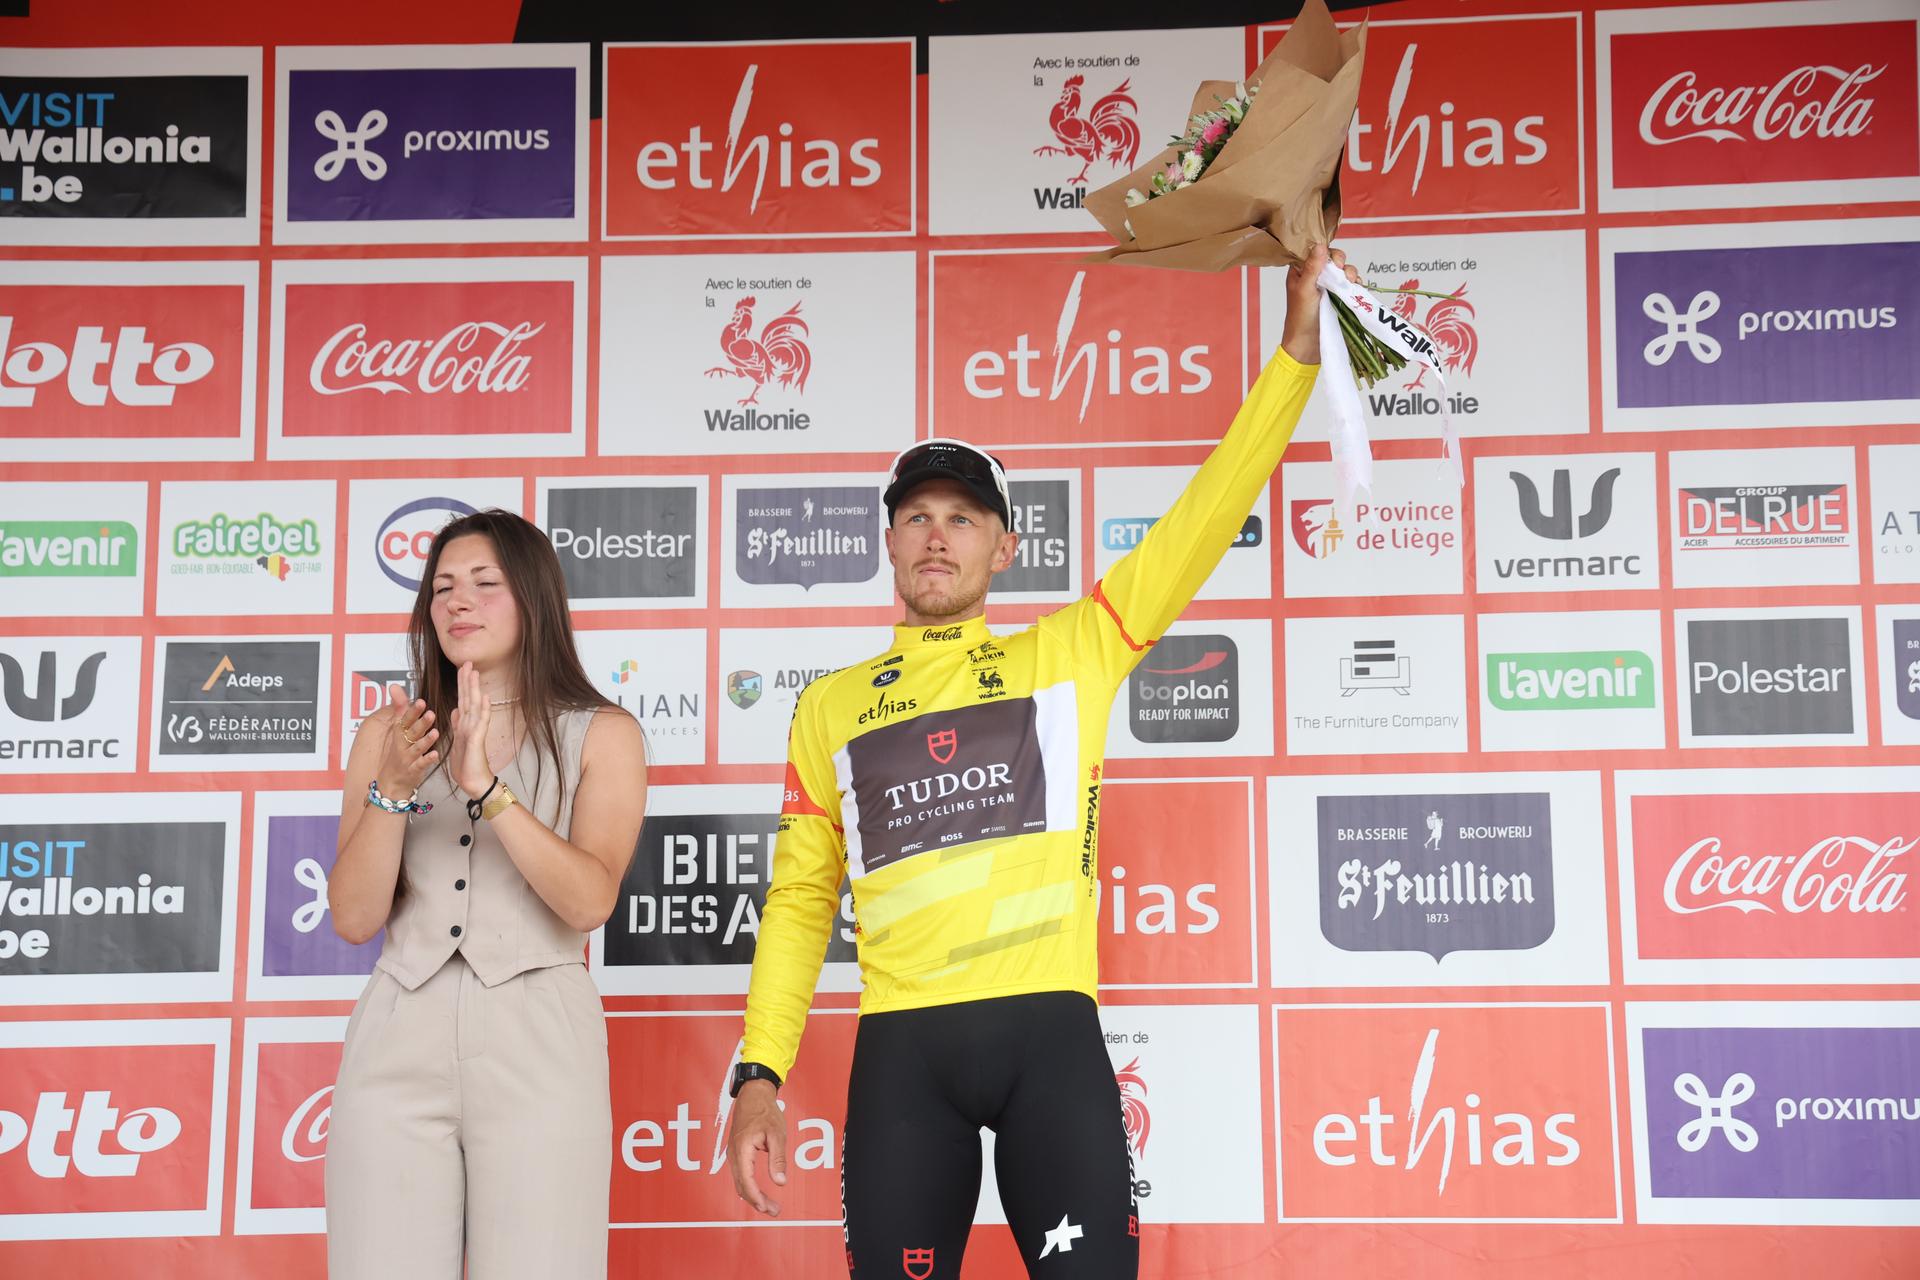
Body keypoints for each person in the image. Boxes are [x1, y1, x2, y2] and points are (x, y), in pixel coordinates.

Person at [724, 245, 1358, 1276]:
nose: (938, 537)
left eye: (962, 518)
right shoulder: (827, 705)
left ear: (1003, 547)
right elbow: (800, 899)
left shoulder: (1072, 653)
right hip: (902, 1055)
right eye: (918, 517)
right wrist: (761, 1068)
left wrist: (1292, 352)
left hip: (1048, 1040)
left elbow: (1205, 516)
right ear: (888, 542)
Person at [324, 509, 647, 1280]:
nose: (457, 603)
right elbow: (354, 916)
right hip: (399, 1023)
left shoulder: (602, 732)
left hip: (540, 1030)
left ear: (533, 598)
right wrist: (393, 791)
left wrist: (488, 791)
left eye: (483, 583)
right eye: (441, 588)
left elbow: (588, 901)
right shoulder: (387, 735)